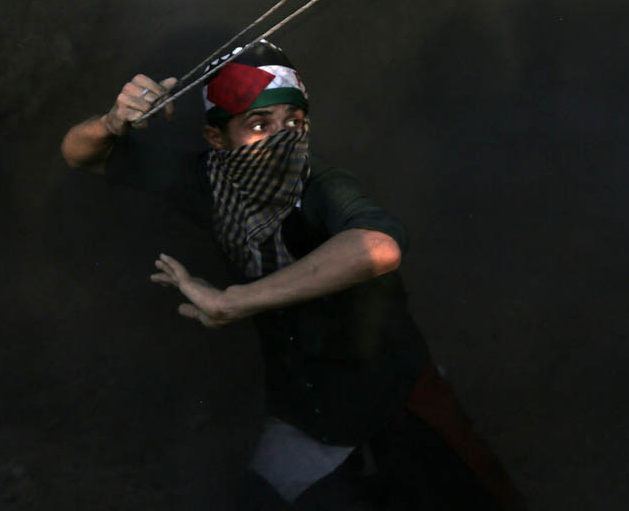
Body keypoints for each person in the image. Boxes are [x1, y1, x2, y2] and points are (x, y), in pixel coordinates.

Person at [60, 41, 524, 509]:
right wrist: (111, 122)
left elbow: (378, 247)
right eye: (260, 125)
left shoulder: (319, 184)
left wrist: (235, 301)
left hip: (397, 401)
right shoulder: (208, 182)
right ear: (217, 140)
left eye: (294, 123)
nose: (283, 138)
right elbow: (82, 153)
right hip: (306, 416)